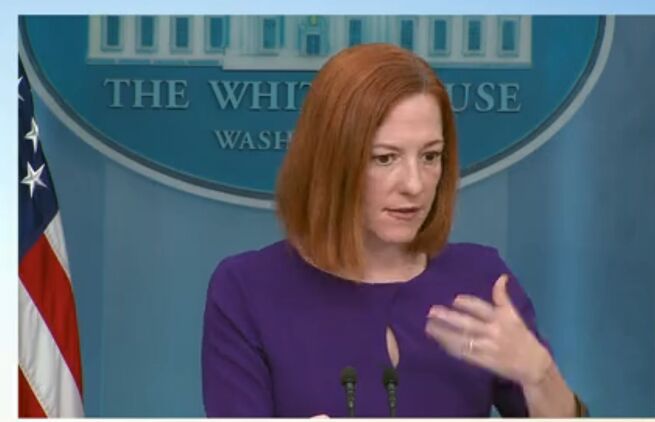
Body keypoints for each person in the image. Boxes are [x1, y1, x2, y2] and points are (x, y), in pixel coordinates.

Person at [201, 43, 587, 417]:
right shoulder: (247, 290)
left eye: (430, 156)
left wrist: (540, 374)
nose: (415, 185)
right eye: (385, 158)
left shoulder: (480, 280)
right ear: (329, 161)